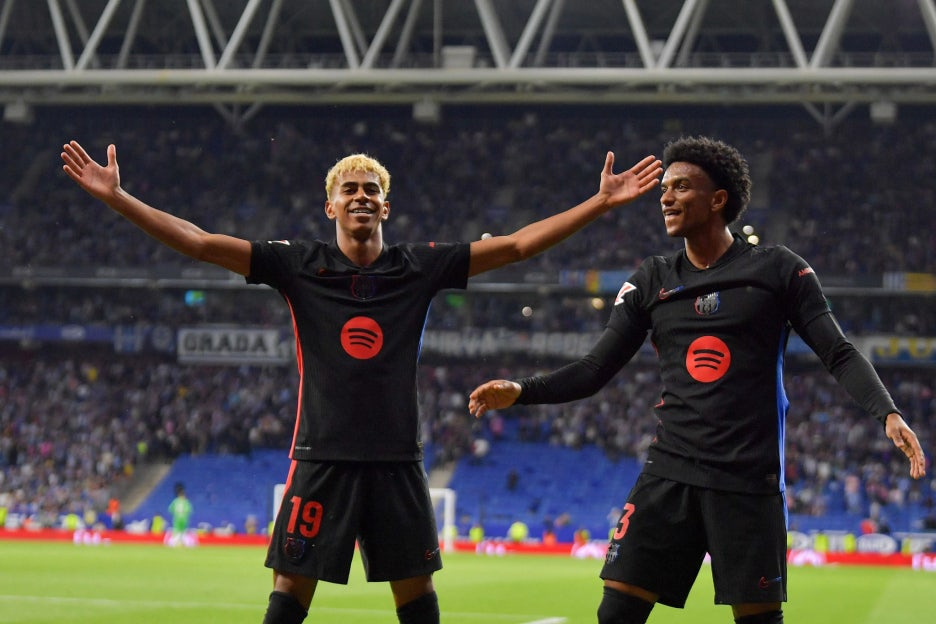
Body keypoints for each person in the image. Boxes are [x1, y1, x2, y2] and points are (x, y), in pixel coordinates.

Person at [61, 139, 662, 624]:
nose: (360, 197)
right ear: (330, 207)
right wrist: (119, 198)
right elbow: (198, 244)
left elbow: (516, 246)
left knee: (416, 596)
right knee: (289, 593)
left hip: (396, 459)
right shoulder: (298, 264)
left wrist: (599, 203)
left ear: (385, 206)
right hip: (322, 455)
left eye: (371, 189)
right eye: (348, 190)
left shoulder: (417, 267)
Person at [468, 135, 927, 624]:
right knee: (616, 613)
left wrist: (887, 412)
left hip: (748, 479)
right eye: (664, 188)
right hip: (670, 472)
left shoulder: (779, 270)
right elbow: (594, 370)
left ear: (717, 199)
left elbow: (838, 351)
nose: (666, 197)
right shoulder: (652, 279)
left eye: (681, 187)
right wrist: (522, 391)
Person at [167, 481, 193, 547]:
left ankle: (171, 543)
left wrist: (176, 513)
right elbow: (189, 510)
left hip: (177, 519)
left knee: (177, 532)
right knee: (183, 532)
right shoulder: (186, 502)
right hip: (184, 519)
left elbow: (170, 509)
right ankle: (188, 544)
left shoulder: (175, 501)